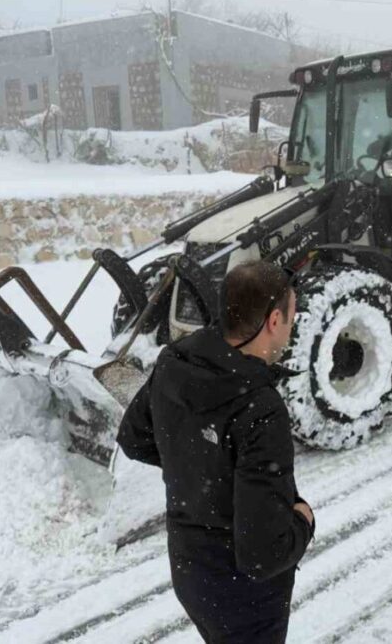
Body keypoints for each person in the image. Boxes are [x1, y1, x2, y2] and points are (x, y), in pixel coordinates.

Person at [116, 260, 315, 644]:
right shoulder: (260, 407)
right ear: (274, 320)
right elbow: (263, 554)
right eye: (291, 318)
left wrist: (199, 465)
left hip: (191, 572)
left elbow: (135, 437)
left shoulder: (175, 362)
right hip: (244, 596)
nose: (290, 329)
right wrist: (303, 523)